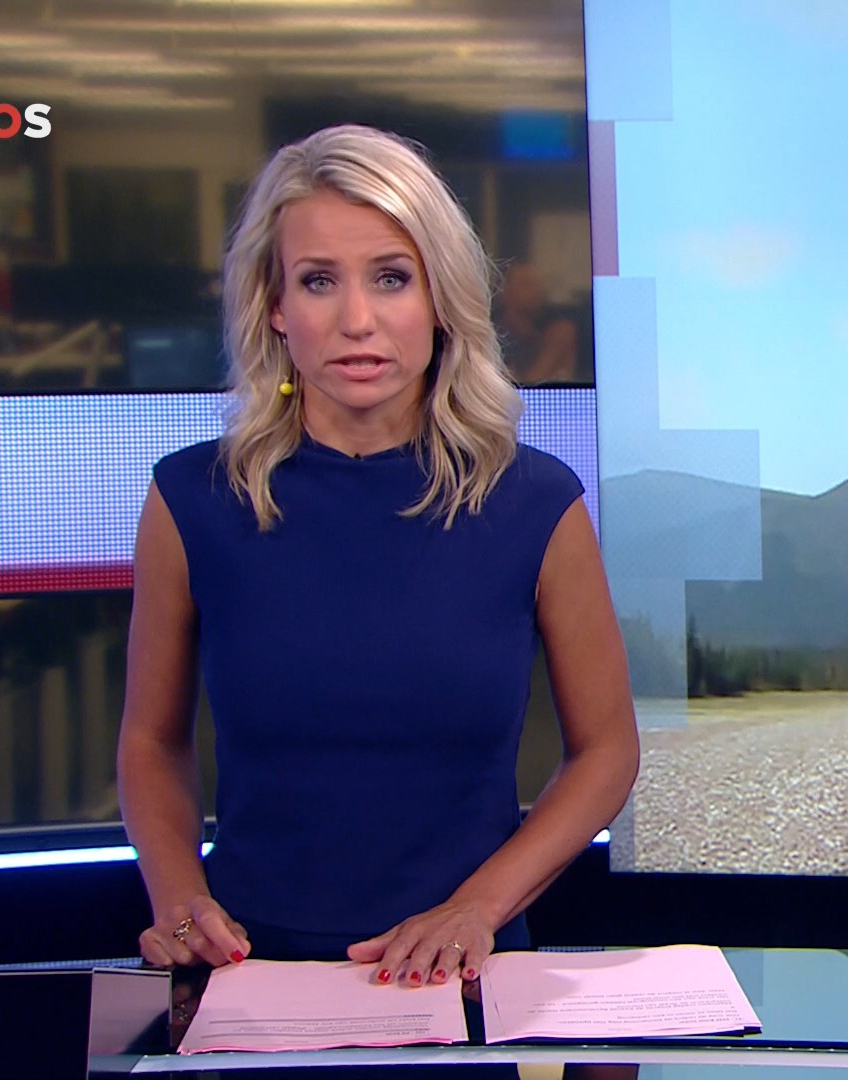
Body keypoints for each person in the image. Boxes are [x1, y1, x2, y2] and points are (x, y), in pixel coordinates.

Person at [117, 125, 638, 990]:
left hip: (458, 975)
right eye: (318, 281)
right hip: (247, 970)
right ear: (274, 306)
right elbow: (149, 739)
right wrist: (178, 899)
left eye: (391, 277)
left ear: (439, 298)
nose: (356, 321)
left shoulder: (536, 502)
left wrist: (476, 909)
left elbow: (606, 751)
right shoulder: (191, 499)